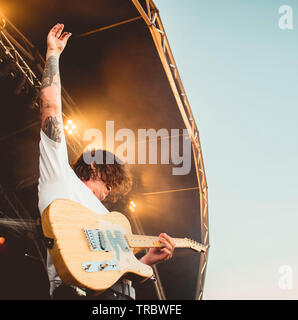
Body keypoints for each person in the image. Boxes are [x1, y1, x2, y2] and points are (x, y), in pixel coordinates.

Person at [38, 23, 175, 300]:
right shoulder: (60, 179)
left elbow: (116, 272)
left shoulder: (108, 221)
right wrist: (53, 53)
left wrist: (147, 260)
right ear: (93, 168)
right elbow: (50, 107)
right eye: (108, 180)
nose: (110, 191)